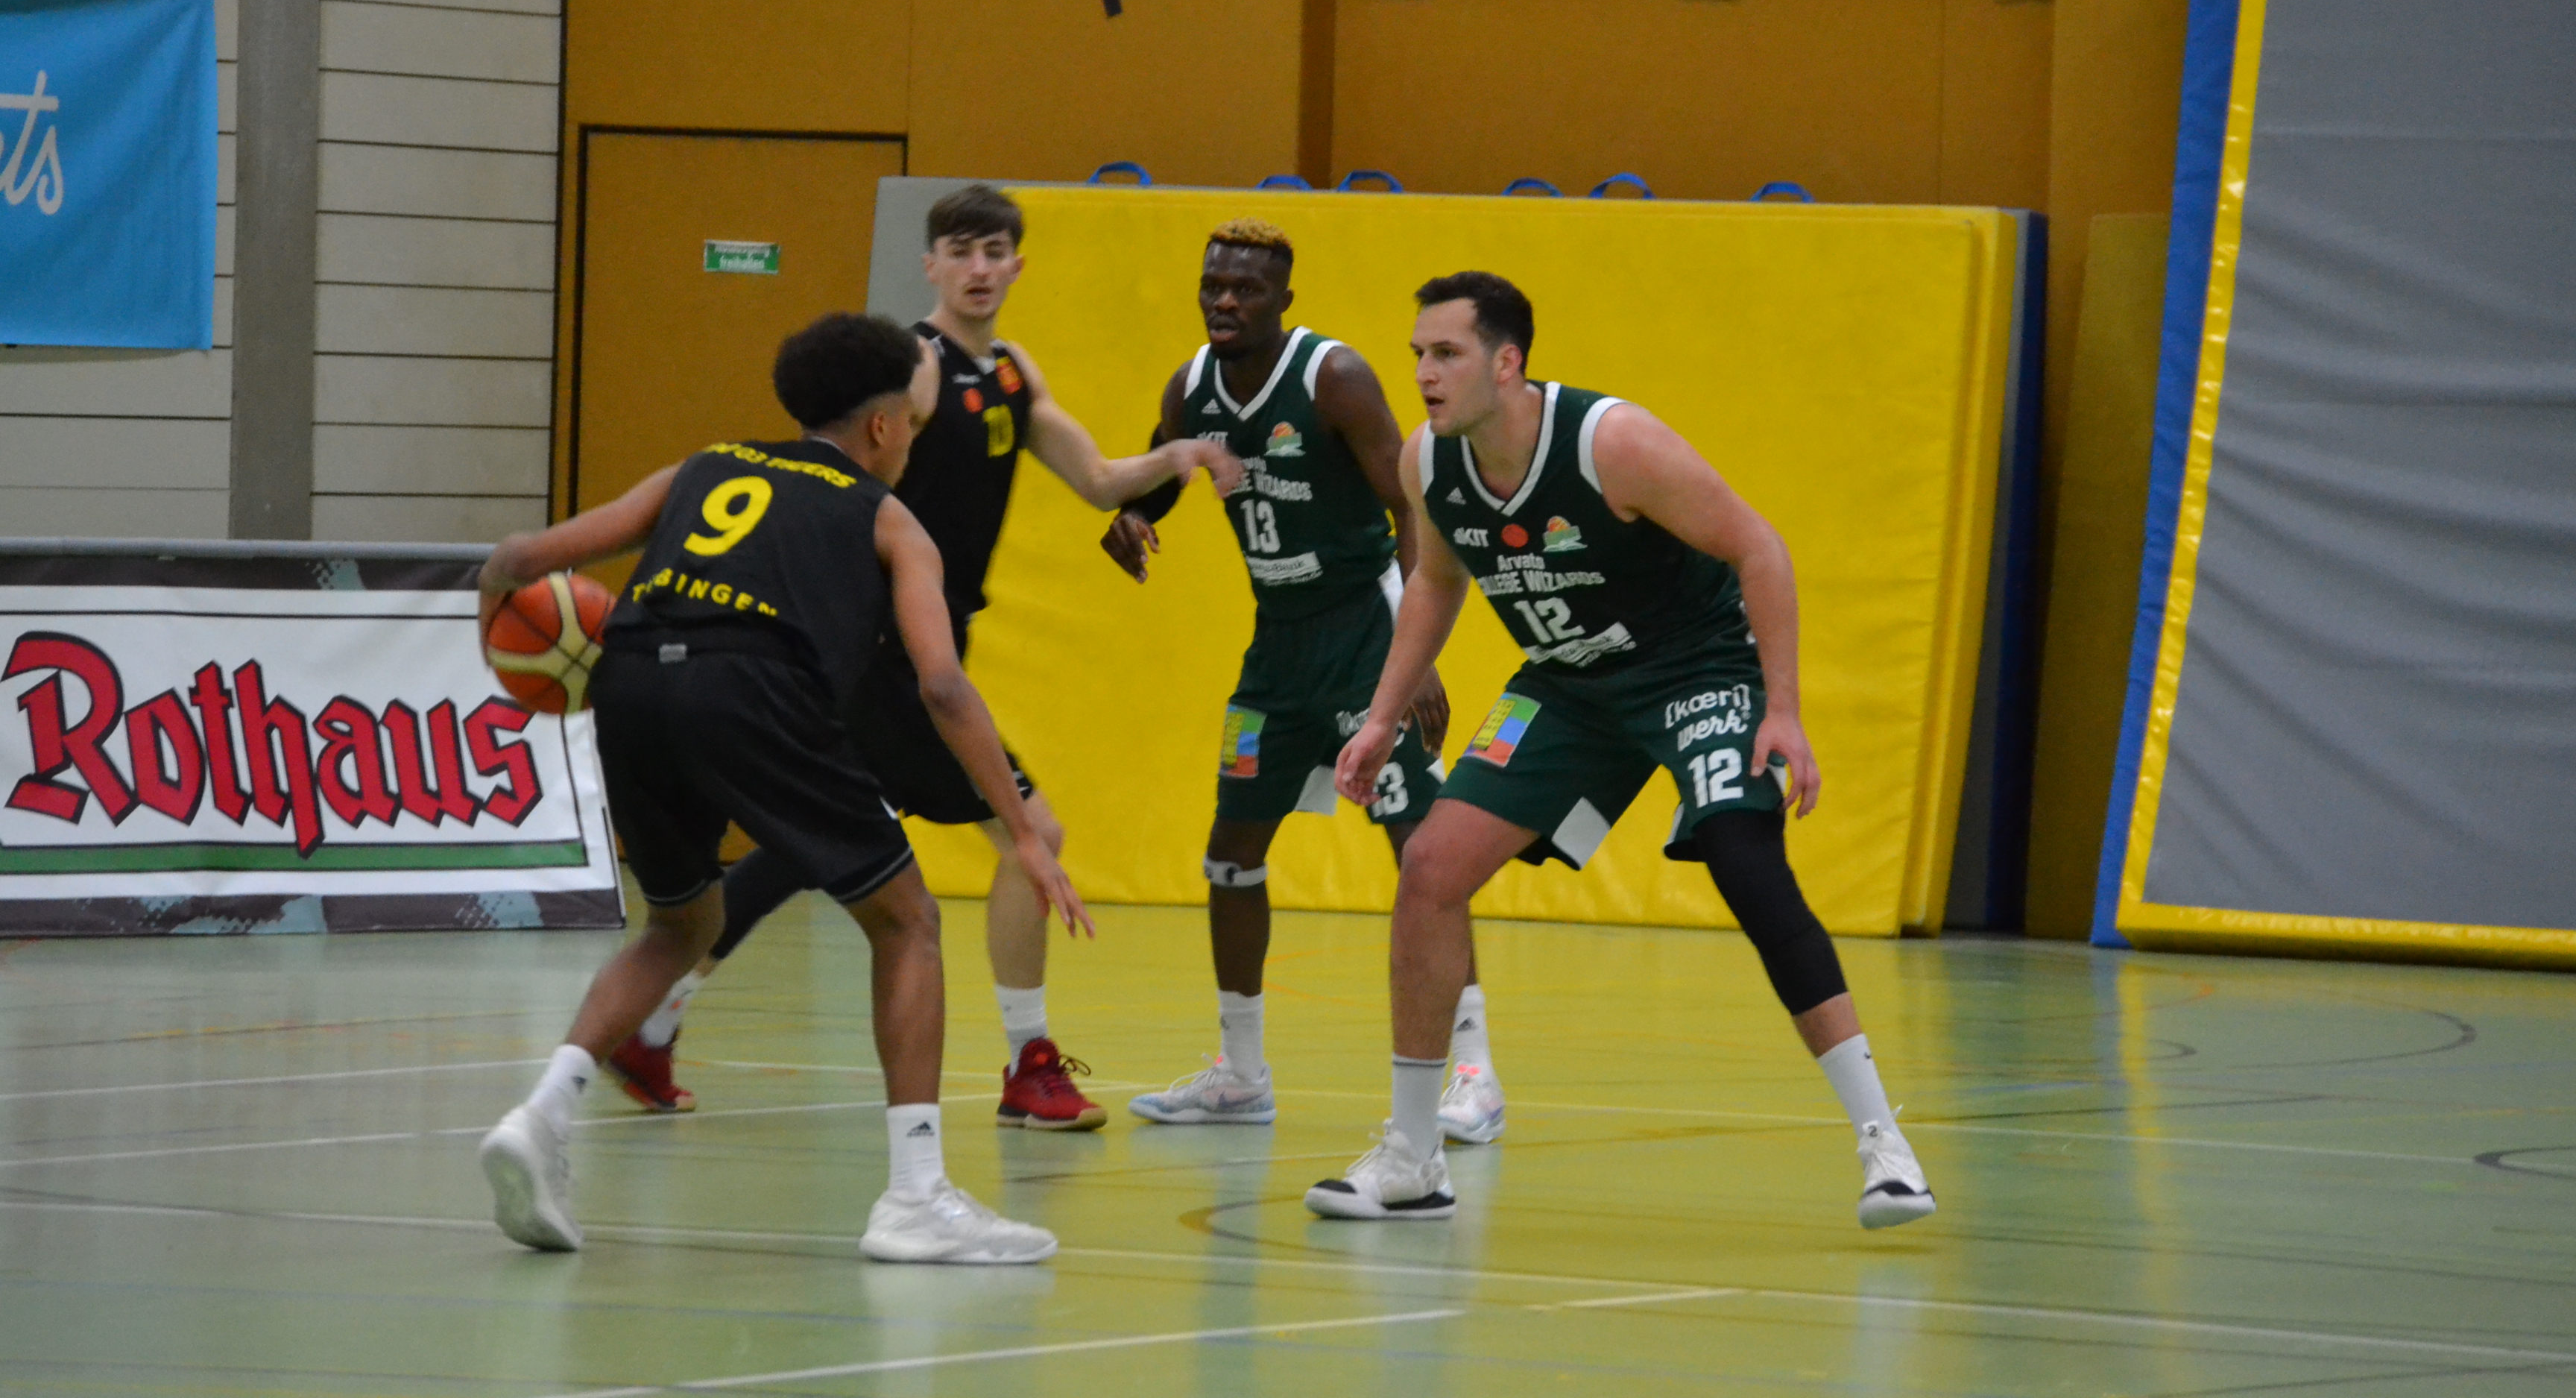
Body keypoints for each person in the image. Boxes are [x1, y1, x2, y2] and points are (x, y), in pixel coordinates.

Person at [1309, 271, 1937, 1229]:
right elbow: (1438, 584)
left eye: (1446, 354)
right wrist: (1383, 717)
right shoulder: (1428, 464)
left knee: (1742, 856)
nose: (1426, 375)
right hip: (1568, 687)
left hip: (1697, 668)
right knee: (1429, 866)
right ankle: (1412, 1158)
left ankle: (1884, 1147)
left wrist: (1784, 711)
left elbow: (1760, 548)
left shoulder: (1614, 443)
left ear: (1507, 361)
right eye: (1418, 356)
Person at [610, 185, 1240, 1133]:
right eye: (962, 250)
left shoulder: (1014, 371)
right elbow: (834, 485)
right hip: (885, 652)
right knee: (1036, 836)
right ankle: (1030, 1063)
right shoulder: (914, 367)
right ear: (931, 265)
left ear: (1019, 266)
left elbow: (1099, 479)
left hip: (907, 645)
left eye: (996, 251)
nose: (981, 268)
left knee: (800, 850)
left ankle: (651, 1023)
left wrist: (1179, 457)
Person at [474, 312, 1091, 1264]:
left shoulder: (702, 468)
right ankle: (918, 1196)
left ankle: (542, 1115)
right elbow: (940, 684)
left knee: (680, 924)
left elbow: (519, 561)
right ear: (885, 428)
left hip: (630, 678)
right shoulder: (891, 517)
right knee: (906, 923)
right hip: (756, 685)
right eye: (913, 429)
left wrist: (507, 650)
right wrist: (1024, 832)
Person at [1101, 221, 1506, 1143]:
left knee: (1425, 857)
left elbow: (1413, 505)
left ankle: (1476, 1076)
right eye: (1213, 285)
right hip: (1275, 653)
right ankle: (1241, 1073)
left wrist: (1418, 652)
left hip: (1365, 637)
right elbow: (1161, 472)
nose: (1225, 301)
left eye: (1245, 288)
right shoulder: (1191, 387)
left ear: (1284, 300)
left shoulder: (1335, 378)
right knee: (1228, 856)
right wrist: (1131, 516)